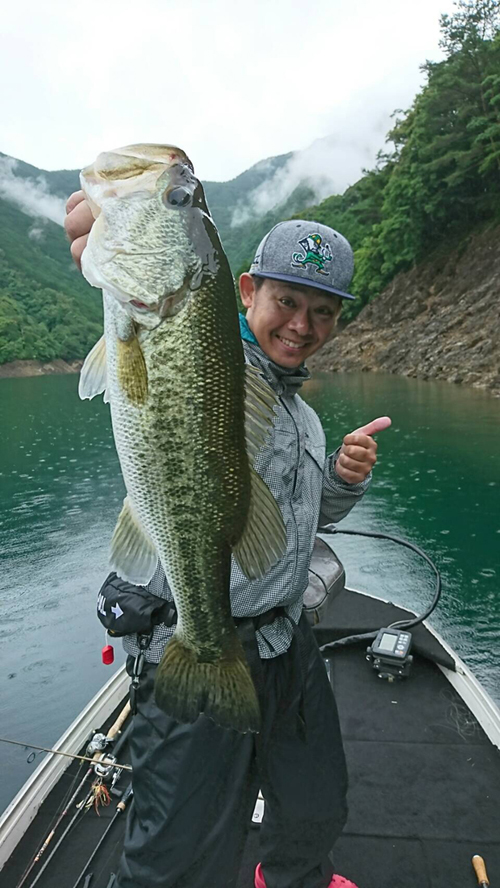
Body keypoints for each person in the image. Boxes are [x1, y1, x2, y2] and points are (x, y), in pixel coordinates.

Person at [65, 194, 390, 888]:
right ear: (245, 292)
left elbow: (295, 524)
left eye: (323, 311)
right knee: (177, 856)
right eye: (287, 301)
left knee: (316, 802)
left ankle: (296, 878)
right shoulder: (212, 366)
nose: (301, 325)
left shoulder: (300, 413)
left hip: (285, 638)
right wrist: (115, 247)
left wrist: (340, 480)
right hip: (197, 636)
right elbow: (162, 320)